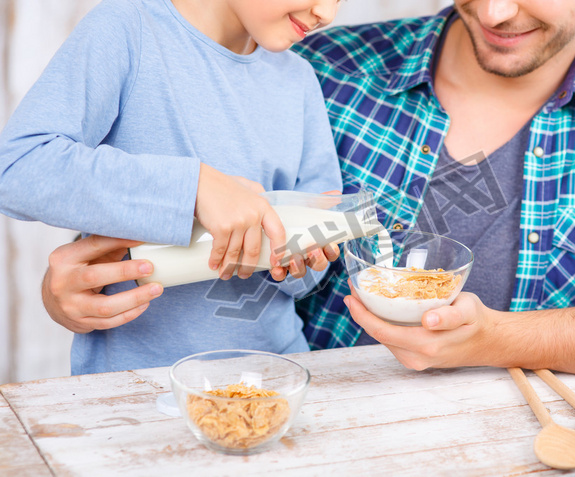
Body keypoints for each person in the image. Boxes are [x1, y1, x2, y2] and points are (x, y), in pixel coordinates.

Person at [37, 0, 575, 380]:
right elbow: (196, 200)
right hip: (306, 429)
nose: (498, 11)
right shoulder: (318, 67)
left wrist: (498, 338)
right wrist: (88, 280)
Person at [0, 0, 345, 374]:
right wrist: (195, 188)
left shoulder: (298, 79)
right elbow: (18, 169)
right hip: (134, 386)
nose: (327, 13)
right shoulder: (128, 29)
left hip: (277, 373)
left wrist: (299, 253)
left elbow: (309, 272)